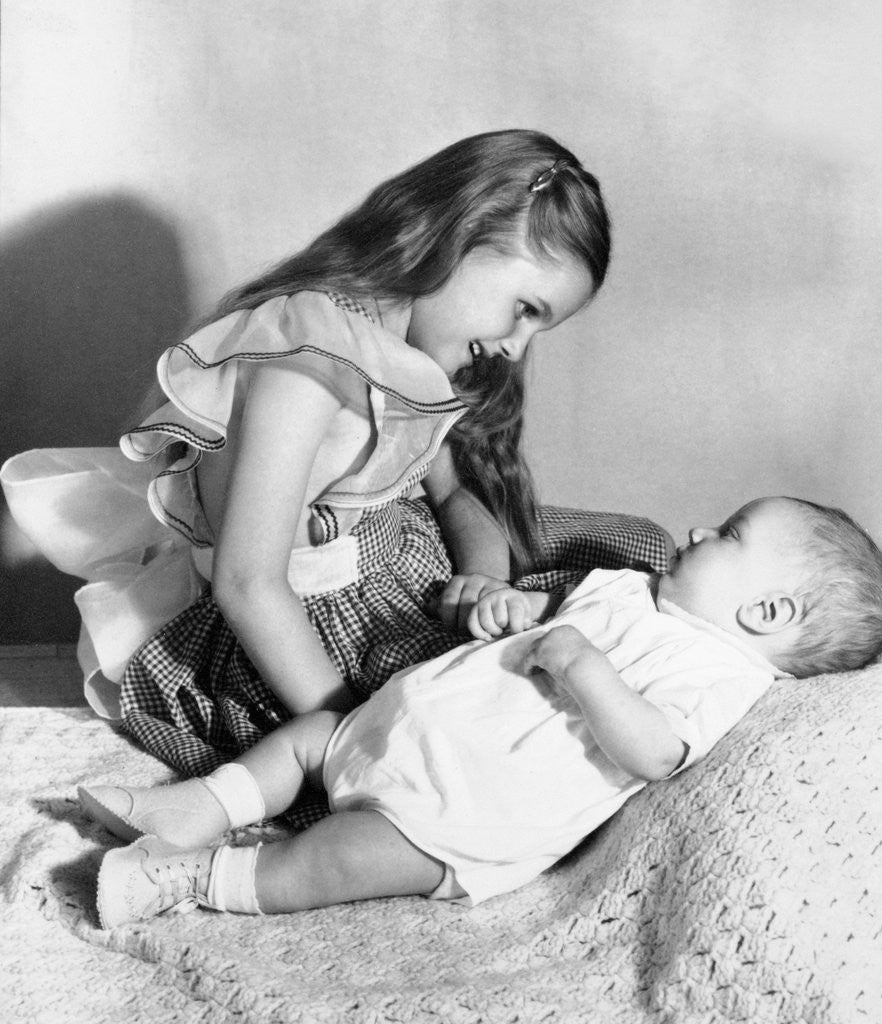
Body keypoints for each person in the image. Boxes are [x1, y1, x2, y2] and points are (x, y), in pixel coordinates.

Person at [1, 130, 671, 783]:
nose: (516, 347)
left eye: (538, 327)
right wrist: (360, 736)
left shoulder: (416, 348)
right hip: (299, 629)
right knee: (485, 731)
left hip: (405, 559)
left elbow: (457, 494)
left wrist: (484, 578)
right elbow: (247, 585)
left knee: (644, 552)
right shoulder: (307, 358)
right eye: (524, 309)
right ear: (458, 236)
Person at [80, 495, 882, 927]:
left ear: (767, 615)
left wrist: (582, 665)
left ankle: (187, 877)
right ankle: (193, 807)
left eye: (727, 532)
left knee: (331, 860)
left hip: (453, 813)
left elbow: (652, 751)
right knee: (305, 741)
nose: (694, 527)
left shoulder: (718, 673)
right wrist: (508, 612)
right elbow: (533, 626)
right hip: (390, 726)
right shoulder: (628, 588)